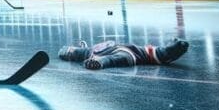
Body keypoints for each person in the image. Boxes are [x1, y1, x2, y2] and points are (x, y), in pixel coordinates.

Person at [59, 38, 189, 70]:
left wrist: (98, 62)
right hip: (101, 50)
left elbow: (111, 60)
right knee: (71, 51)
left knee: (70, 52)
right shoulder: (142, 51)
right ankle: (69, 51)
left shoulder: (129, 56)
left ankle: (69, 51)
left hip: (98, 53)